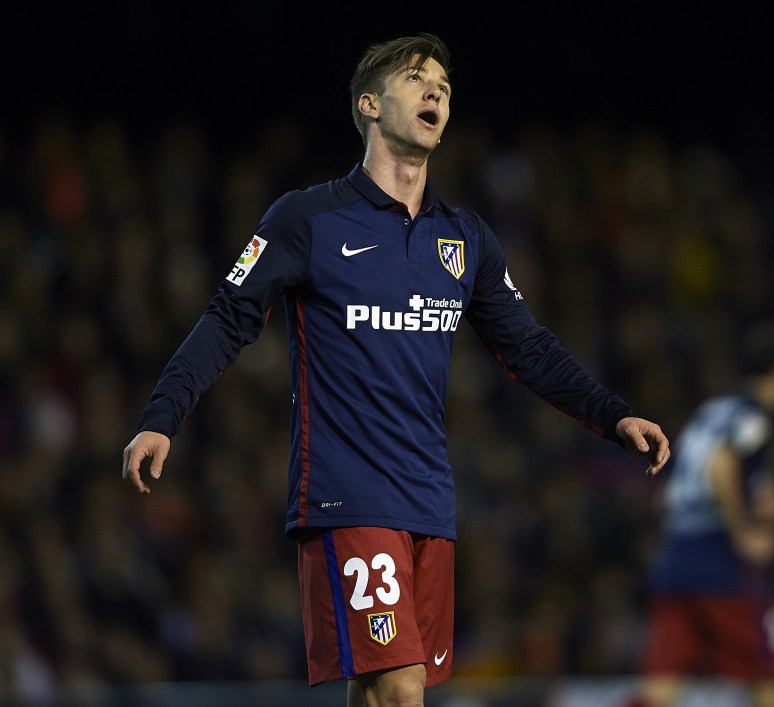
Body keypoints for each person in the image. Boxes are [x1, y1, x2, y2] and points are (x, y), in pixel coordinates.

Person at [121, 32, 670, 706]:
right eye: (416, 78)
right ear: (369, 105)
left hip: (430, 500)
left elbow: (529, 349)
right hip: (346, 490)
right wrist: (161, 417)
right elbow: (227, 317)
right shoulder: (308, 218)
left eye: (442, 81)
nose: (435, 88)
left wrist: (613, 414)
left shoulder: (463, 239)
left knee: (381, 689)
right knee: (400, 689)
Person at [633, 324, 774, 707]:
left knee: (662, 683)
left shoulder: (713, 410)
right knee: (771, 671)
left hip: (676, 559)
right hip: (722, 565)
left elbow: (684, 474)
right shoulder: (755, 417)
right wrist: (744, 530)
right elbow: (720, 465)